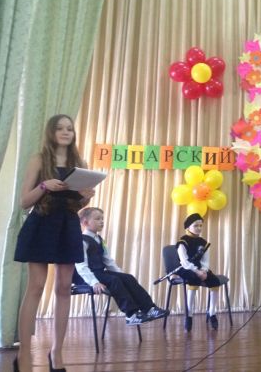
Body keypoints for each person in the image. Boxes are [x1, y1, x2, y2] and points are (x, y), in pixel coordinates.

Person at [13, 115, 96, 372]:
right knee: (36, 287)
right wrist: (44, 186)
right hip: (41, 223)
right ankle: (24, 354)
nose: (66, 132)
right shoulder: (39, 160)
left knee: (63, 288)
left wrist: (86, 198)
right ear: (51, 132)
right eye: (60, 128)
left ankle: (56, 353)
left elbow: (77, 205)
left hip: (67, 225)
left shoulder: (80, 165)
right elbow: (24, 202)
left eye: (69, 128)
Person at [74, 207, 169, 325]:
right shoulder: (82, 241)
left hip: (100, 273)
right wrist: (94, 282)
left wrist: (123, 276)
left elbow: (108, 261)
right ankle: (131, 315)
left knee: (128, 278)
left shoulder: (99, 240)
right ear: (85, 222)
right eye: (98, 219)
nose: (102, 221)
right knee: (114, 280)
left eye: (102, 219)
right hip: (87, 276)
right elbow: (80, 265)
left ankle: (150, 309)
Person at [176, 213, 222, 331]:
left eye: (201, 225)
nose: (199, 228)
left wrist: (204, 270)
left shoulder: (203, 242)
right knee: (194, 279)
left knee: (215, 281)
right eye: (196, 225)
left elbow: (205, 260)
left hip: (201, 269)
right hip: (186, 268)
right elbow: (184, 262)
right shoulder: (183, 242)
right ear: (188, 227)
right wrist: (197, 272)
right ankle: (189, 314)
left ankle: (212, 312)